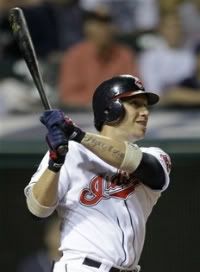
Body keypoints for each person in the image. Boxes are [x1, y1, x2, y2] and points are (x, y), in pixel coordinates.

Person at [24, 74, 171, 272]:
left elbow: (145, 168)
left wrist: (77, 134)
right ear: (110, 108)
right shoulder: (72, 152)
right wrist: (55, 163)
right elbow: (37, 209)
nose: (145, 112)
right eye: (135, 104)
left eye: (146, 106)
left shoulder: (154, 155)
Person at [58, 8, 139, 108]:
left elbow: (135, 90)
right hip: (82, 115)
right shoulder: (74, 56)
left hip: (119, 114)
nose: (104, 29)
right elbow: (68, 96)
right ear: (87, 29)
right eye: (99, 24)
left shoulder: (125, 55)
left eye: (108, 23)